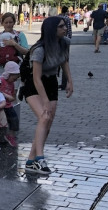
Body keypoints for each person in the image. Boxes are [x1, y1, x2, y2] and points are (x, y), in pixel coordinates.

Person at [20, 17, 73, 174]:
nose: (65, 28)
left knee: (47, 122)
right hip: (33, 85)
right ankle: (40, 158)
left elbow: (64, 61)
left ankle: (31, 160)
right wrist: (45, 101)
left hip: (51, 83)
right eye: (61, 26)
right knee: (44, 116)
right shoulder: (39, 50)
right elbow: (36, 78)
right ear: (52, 30)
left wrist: (70, 80)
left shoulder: (65, 42)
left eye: (65, 26)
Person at [0, 62, 20, 147]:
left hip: (8, 105)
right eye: (14, 78)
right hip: (0, 105)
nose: (14, 80)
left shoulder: (12, 83)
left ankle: (10, 136)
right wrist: (6, 95)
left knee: (14, 120)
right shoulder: (1, 80)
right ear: (8, 74)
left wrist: (13, 97)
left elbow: (12, 96)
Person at [57, 6, 72, 91]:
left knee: (55, 61)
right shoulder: (67, 18)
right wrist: (69, 40)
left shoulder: (57, 17)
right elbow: (69, 30)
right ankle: (64, 83)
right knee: (65, 62)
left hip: (57, 40)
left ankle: (55, 80)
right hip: (64, 41)